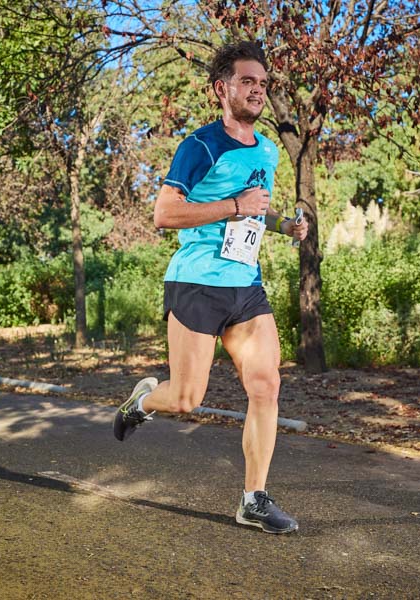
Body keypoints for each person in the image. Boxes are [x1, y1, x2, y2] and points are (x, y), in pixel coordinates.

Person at [113, 40, 308, 534]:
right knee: (185, 399)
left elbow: (256, 208)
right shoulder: (199, 146)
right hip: (197, 282)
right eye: (247, 81)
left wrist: (286, 226)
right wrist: (234, 207)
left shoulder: (266, 149)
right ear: (221, 89)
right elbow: (164, 214)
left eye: (263, 83)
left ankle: (254, 500)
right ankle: (141, 402)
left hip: (246, 285)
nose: (258, 90)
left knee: (266, 385)